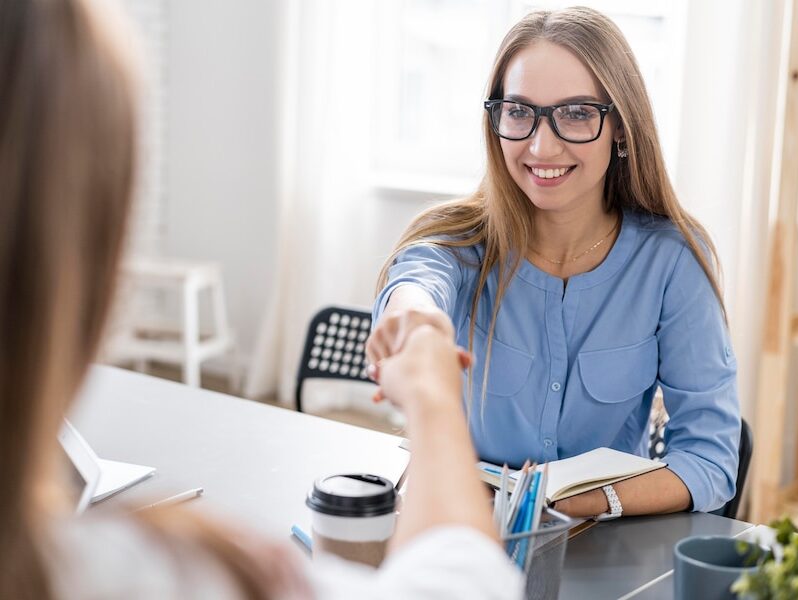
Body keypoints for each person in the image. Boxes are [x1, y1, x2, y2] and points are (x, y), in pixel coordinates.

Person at [0, 0, 522, 598]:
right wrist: (431, 392)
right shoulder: (138, 573)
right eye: (517, 113)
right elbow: (467, 584)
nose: (541, 143)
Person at [368, 7, 740, 519]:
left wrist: (574, 502)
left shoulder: (673, 259)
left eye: (577, 113)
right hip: (466, 528)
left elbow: (710, 460)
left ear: (621, 126)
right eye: (519, 112)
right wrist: (415, 320)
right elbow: (417, 282)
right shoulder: (457, 241)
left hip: (606, 539)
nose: (542, 146)